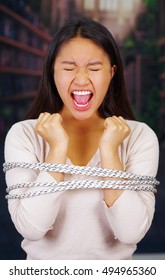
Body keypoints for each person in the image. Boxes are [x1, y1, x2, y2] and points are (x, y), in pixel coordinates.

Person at [4, 18, 159, 260]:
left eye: (94, 68)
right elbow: (31, 228)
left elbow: (130, 233)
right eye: (68, 68)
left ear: (112, 72)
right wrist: (56, 149)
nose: (82, 79)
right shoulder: (23, 135)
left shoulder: (139, 136)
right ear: (52, 72)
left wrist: (109, 152)